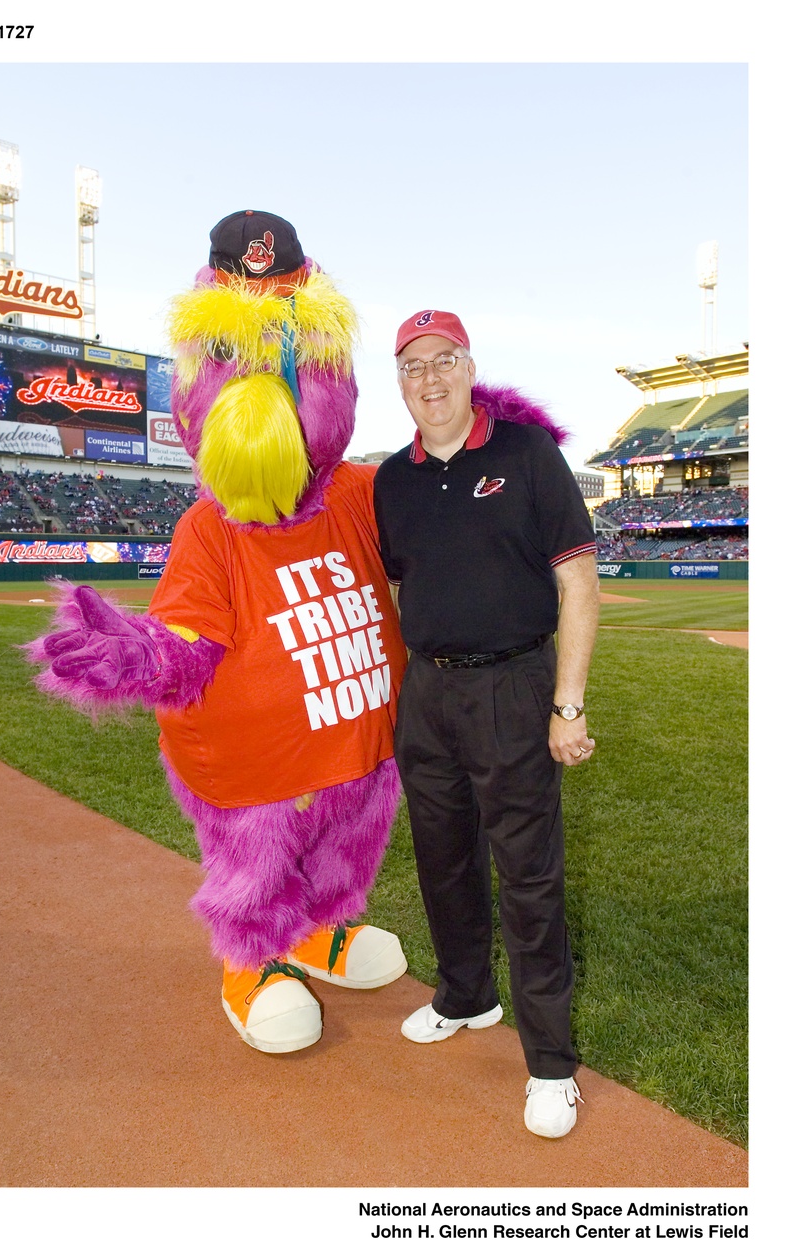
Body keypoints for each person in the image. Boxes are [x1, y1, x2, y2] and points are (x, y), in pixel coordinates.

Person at [373, 309, 599, 1139]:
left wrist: (565, 704)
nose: (428, 380)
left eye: (443, 362)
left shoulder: (526, 454)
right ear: (400, 382)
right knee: (443, 860)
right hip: (428, 692)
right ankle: (465, 995)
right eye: (411, 367)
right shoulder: (391, 480)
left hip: (514, 686)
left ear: (470, 368)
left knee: (529, 878)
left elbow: (579, 584)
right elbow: (403, 584)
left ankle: (548, 1064)